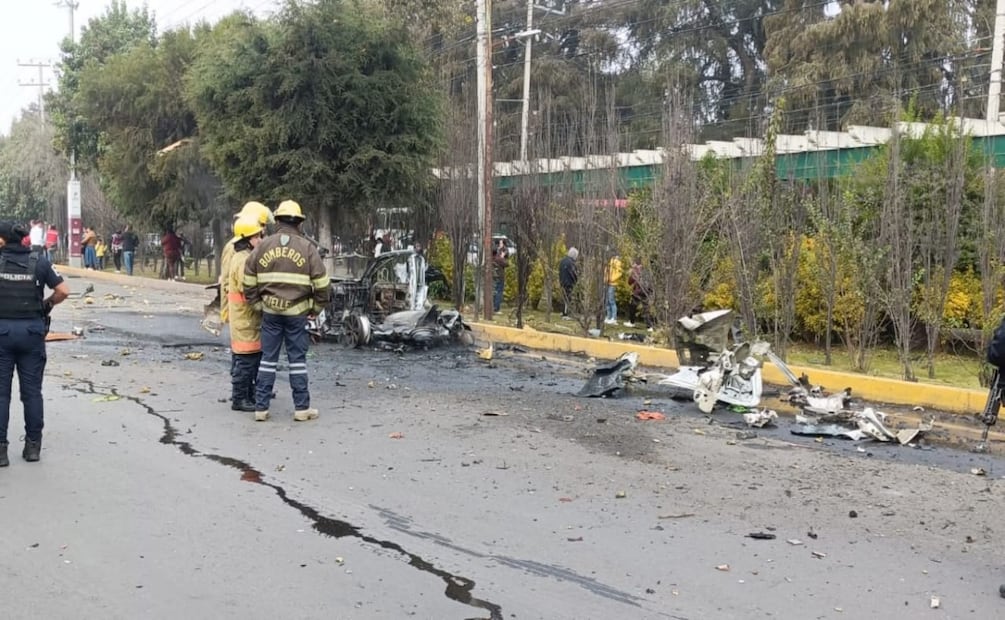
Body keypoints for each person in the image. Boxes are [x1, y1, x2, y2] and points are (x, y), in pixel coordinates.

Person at [244, 200, 330, 422]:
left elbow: (248, 279)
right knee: (297, 361)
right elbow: (322, 285)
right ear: (299, 223)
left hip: (270, 314)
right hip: (297, 315)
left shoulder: (262, 246)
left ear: (278, 221)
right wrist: (315, 308)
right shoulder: (308, 248)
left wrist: (257, 305)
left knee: (267, 360)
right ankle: (302, 409)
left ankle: (260, 408)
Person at [0, 221, 70, 465]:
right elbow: (63, 290)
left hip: (2, 333)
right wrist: (47, 305)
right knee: (31, 393)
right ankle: (32, 448)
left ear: (2, 240)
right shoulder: (39, 261)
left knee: (1, 394)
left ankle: (0, 452)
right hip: (31, 332)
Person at [227, 215, 266, 412]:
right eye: (258, 236)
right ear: (248, 239)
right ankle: (239, 398)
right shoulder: (243, 261)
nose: (260, 239)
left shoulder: (242, 258)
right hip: (246, 320)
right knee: (245, 362)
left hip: (246, 319)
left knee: (249, 361)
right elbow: (248, 288)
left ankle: (248, 395)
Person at [219, 202, 273, 326]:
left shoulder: (253, 247)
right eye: (262, 224)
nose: (264, 229)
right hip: (242, 314)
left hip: (249, 313)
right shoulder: (234, 248)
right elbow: (226, 281)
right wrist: (226, 311)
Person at [559, 247, 579, 318]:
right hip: (569, 282)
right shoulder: (571, 263)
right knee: (567, 298)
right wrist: (576, 280)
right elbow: (574, 274)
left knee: (563, 297)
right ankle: (565, 314)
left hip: (562, 281)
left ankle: (562, 311)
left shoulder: (563, 261)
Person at [604, 252, 623, 325]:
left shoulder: (618, 263)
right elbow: (606, 271)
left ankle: (614, 318)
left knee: (611, 300)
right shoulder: (610, 262)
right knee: (607, 301)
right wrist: (605, 279)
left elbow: (619, 273)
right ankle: (609, 316)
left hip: (612, 283)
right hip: (607, 283)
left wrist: (611, 279)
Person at [492, 244, 508, 313]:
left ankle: (492, 306)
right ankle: (496, 308)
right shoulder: (498, 258)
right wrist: (502, 256)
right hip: (499, 277)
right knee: (499, 292)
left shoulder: (490, 258)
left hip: (493, 278)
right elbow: (506, 264)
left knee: (493, 292)